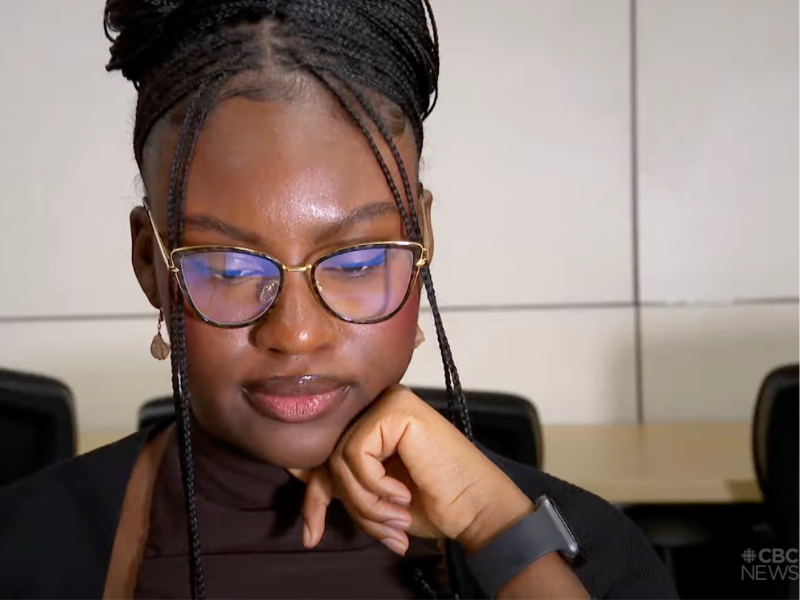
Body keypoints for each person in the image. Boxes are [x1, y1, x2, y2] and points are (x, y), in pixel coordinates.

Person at [0, 1, 678, 598]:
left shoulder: (591, 556)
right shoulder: (23, 551)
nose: (295, 334)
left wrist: (492, 524)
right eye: (230, 268)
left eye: (355, 261)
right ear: (151, 263)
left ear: (422, 240)